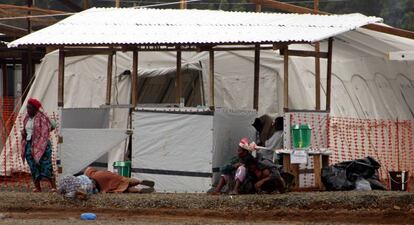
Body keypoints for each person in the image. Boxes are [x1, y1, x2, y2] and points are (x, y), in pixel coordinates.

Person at [21, 98, 56, 192]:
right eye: (27, 108)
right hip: (29, 144)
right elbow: (25, 129)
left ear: (35, 109)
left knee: (45, 164)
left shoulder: (42, 117)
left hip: (41, 145)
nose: (28, 110)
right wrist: (23, 133)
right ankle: (37, 187)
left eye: (29, 108)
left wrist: (39, 144)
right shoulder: (27, 118)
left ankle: (53, 187)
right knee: (32, 165)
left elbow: (47, 131)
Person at [84, 167, 155, 193]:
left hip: (101, 186)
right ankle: (140, 181)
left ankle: (139, 190)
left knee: (125, 189)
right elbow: (91, 169)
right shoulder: (93, 171)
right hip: (102, 175)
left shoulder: (85, 179)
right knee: (126, 180)